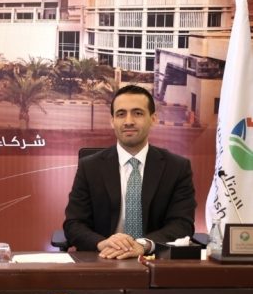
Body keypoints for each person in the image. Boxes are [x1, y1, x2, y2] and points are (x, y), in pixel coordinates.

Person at [63, 85, 196, 259]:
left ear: (153, 119)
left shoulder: (177, 168)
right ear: (112, 121)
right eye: (121, 114)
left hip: (154, 261)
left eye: (137, 113)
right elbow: (74, 224)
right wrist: (102, 243)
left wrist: (143, 245)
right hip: (103, 259)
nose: (128, 121)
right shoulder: (90, 167)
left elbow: (182, 224)